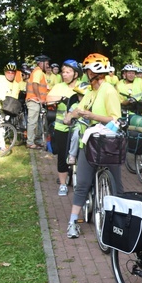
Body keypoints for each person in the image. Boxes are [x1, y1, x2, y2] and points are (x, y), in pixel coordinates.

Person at [65, 53, 123, 239]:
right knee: (82, 183)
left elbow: (116, 119)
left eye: (86, 71)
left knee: (116, 184)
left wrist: (93, 117)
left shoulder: (109, 91)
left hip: (108, 143)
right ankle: (73, 221)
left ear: (93, 72)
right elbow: (79, 109)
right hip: (90, 141)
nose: (85, 74)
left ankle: (120, 222)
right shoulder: (91, 92)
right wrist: (70, 116)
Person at [48, 60, 87, 195]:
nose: (64, 74)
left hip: (81, 127)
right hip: (61, 127)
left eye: (68, 72)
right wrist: (62, 98)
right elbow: (48, 99)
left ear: (76, 74)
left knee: (83, 156)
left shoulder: (83, 86)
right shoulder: (59, 86)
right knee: (62, 156)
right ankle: (63, 184)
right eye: (63, 72)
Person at [25, 55, 51, 149]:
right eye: (47, 63)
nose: (48, 65)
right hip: (34, 100)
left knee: (38, 122)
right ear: (41, 63)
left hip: (37, 101)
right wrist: (39, 98)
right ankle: (30, 142)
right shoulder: (38, 72)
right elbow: (35, 84)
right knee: (32, 122)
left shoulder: (40, 72)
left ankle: (37, 140)